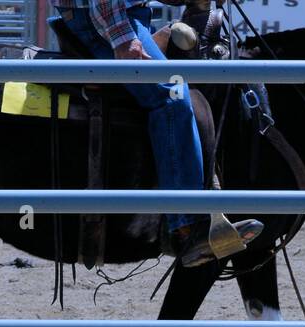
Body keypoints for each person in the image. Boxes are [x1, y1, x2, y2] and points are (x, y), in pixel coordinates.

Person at [87, 1, 261, 264]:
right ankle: (188, 227)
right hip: (106, 22)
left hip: (126, 18)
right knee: (173, 98)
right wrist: (123, 39)